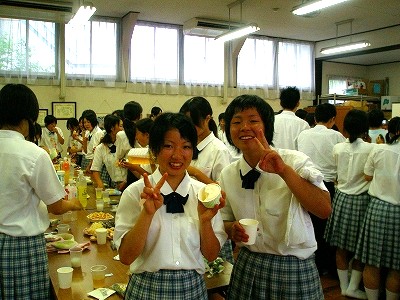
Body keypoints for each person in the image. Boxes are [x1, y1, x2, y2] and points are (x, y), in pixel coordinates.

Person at [219, 94, 331, 299]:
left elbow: (324, 209)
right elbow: (225, 219)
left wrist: (283, 171)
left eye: (253, 120)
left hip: (294, 268)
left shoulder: (295, 161)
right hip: (248, 265)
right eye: (236, 122)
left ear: (267, 126)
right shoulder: (228, 174)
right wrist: (231, 228)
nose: (244, 127)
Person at [113, 112, 227, 299]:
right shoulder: (135, 192)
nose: (178, 155)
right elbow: (126, 257)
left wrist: (205, 222)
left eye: (186, 147)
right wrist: (147, 214)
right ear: (154, 150)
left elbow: (212, 255)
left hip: (192, 288)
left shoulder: (204, 194)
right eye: (168, 146)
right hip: (146, 288)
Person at [0, 83, 81, 299]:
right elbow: (56, 206)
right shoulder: (33, 154)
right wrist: (74, 203)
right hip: (21, 247)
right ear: (27, 119)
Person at [324, 109, 375, 299]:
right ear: (365, 128)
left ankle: (344, 287)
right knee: (362, 249)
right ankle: (353, 287)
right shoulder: (372, 149)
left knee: (340, 247)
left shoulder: (338, 148)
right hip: (362, 200)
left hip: (341, 198)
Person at [180, 96, 234, 264]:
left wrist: (195, 172)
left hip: (210, 221)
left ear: (208, 118)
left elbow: (222, 191)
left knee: (214, 272)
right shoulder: (186, 145)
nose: (189, 127)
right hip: (188, 217)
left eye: (193, 121)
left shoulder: (218, 150)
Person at [297, 102, 346, 275]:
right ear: (333, 119)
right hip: (327, 185)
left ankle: (311, 261)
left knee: (307, 223)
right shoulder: (337, 137)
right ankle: (326, 265)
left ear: (315, 117)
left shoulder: (303, 135)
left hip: (305, 184)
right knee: (326, 228)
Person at [354, 120, 400, 300]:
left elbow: (367, 176)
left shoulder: (379, 149)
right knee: (396, 266)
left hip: (378, 208)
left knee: (372, 262)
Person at [91, 114, 127, 190]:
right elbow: (95, 169)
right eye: (120, 126)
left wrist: (126, 181)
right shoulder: (101, 148)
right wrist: (100, 184)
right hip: (114, 185)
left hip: (129, 183)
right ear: (112, 128)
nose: (123, 129)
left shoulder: (126, 144)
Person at [115, 100, 143, 185]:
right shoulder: (142, 131)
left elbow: (119, 155)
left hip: (129, 171)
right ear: (139, 116)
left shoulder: (121, 134)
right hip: (143, 168)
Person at [81, 110, 105, 175]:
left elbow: (96, 153)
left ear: (93, 121)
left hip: (93, 162)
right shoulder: (87, 132)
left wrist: (89, 166)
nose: (86, 124)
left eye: (88, 122)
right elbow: (85, 151)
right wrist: (84, 141)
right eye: (84, 122)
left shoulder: (98, 133)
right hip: (86, 159)